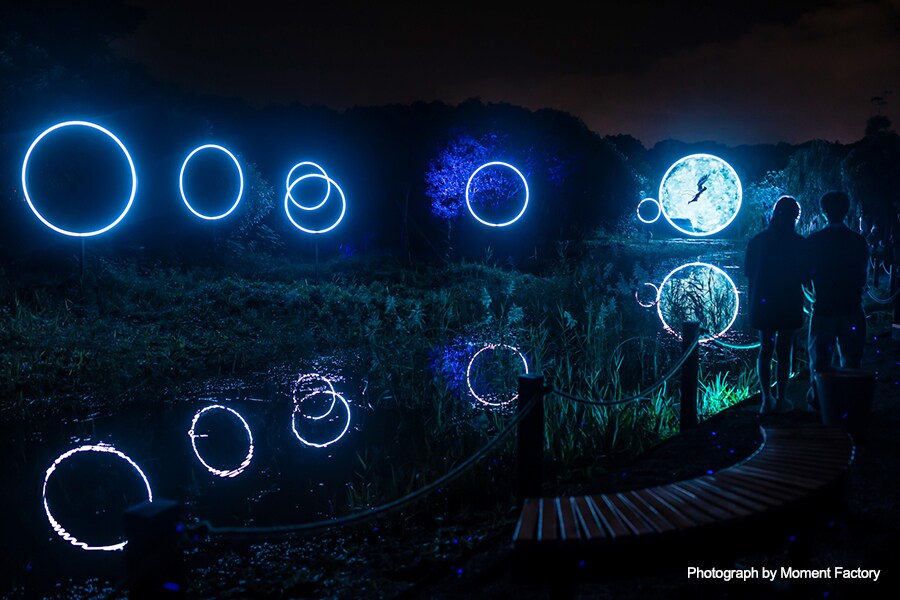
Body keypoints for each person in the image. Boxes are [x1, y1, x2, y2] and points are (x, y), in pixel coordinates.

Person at [805, 190, 870, 410]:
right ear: (847, 210)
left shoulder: (814, 241)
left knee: (820, 361)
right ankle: (849, 404)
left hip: (824, 309)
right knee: (851, 361)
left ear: (824, 212)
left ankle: (819, 404)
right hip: (852, 308)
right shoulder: (858, 241)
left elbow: (805, 275)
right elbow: (863, 276)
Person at [744, 196, 808, 414]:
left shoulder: (757, 241)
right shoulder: (800, 244)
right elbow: (806, 276)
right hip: (789, 303)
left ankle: (765, 399)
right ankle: (781, 398)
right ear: (796, 217)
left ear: (775, 213)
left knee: (765, 349)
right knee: (784, 350)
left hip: (764, 304)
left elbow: (748, 272)